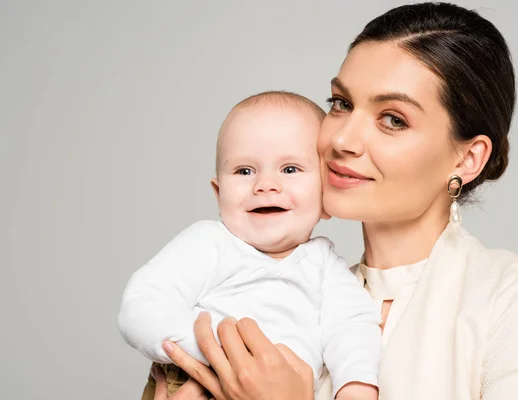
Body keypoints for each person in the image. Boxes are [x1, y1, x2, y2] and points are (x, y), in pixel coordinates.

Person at [153, 2, 518, 400]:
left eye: (393, 119)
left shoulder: (517, 302)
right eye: (341, 103)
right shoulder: (285, 290)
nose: (341, 138)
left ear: (467, 157)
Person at [118, 91, 382, 400]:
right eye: (245, 171)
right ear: (219, 195)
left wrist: (356, 386)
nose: (265, 185)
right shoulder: (209, 243)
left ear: (326, 198)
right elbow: (142, 307)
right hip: (200, 382)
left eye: (290, 169)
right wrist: (219, 353)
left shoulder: (325, 266)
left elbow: (353, 326)